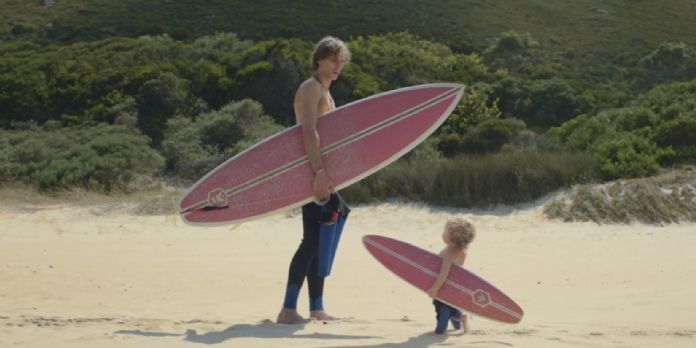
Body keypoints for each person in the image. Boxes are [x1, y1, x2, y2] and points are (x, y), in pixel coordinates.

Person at [276, 36, 352, 324]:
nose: (337, 66)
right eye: (333, 60)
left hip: (323, 175)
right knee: (311, 240)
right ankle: (287, 310)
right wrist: (319, 172)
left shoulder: (326, 93)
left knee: (323, 234)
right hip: (311, 173)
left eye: (341, 62)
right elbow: (309, 132)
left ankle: (317, 307)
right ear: (319, 59)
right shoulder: (310, 88)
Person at [427, 217, 476, 334]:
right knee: (451, 306)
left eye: (445, 231)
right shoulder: (462, 251)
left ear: (452, 236)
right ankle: (460, 319)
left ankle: (440, 331)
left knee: (441, 308)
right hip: (455, 287)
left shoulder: (448, 254)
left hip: (444, 287)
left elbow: (443, 274)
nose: (442, 233)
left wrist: (435, 288)